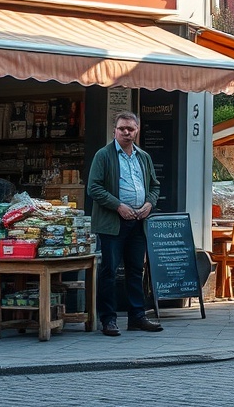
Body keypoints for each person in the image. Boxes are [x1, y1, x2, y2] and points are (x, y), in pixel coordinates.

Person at [87, 111, 163, 337]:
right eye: (122, 129)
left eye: (130, 129)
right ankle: (108, 320)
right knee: (109, 271)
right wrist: (118, 206)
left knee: (135, 270)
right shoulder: (104, 155)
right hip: (113, 222)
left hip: (138, 221)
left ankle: (137, 317)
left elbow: (155, 185)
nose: (126, 132)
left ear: (137, 131)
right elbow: (94, 187)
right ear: (115, 131)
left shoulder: (143, 157)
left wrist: (149, 204)